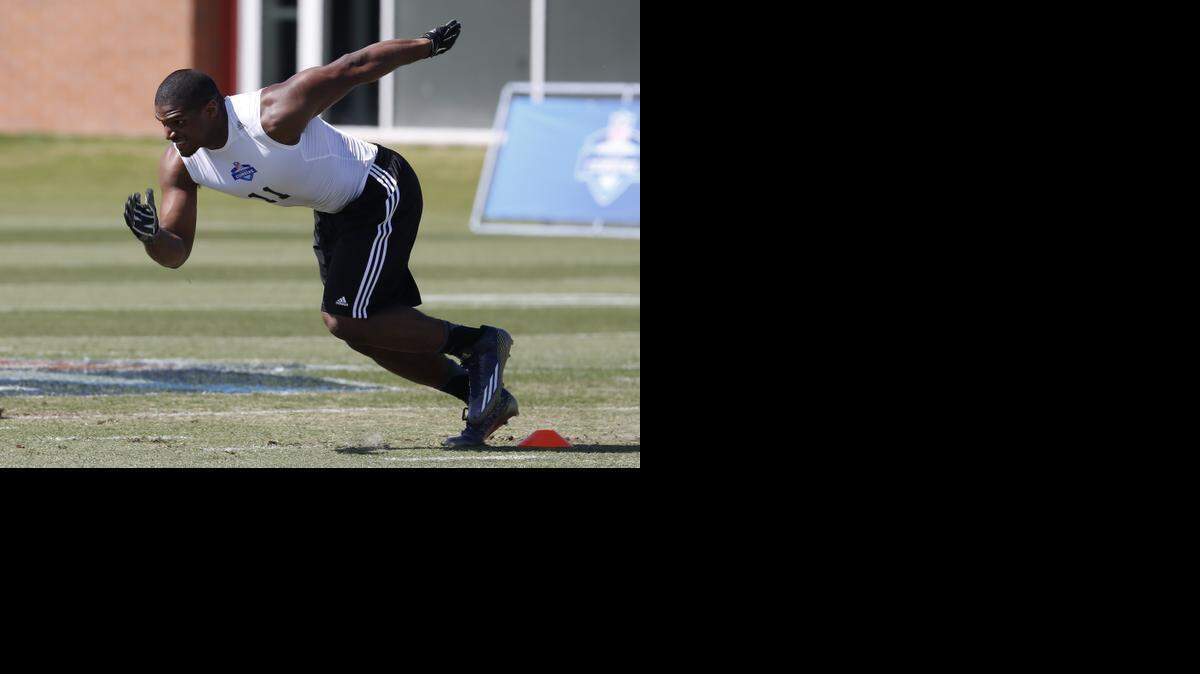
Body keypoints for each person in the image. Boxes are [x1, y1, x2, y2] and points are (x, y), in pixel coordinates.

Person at [122, 20, 518, 447]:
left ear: (211, 109)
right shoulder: (181, 163)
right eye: (162, 123)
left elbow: (354, 66)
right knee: (364, 333)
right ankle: (480, 393)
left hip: (378, 187)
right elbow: (176, 252)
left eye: (176, 122)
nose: (168, 133)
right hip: (334, 212)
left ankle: (479, 344)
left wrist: (425, 45)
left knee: (345, 318)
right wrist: (152, 238)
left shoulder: (274, 113)